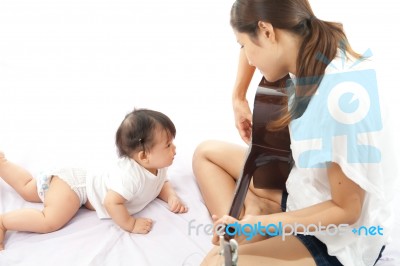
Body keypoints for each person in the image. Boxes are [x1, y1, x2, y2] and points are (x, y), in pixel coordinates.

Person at [192, 0, 395, 265]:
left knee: (216, 262)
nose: (249, 58)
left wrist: (263, 225)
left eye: (243, 45)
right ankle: (256, 210)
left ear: (267, 31)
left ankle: (256, 218)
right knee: (206, 153)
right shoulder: (309, 41)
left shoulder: (338, 101)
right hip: (303, 192)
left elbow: (347, 210)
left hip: (337, 237)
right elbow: (251, 42)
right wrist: (238, 97)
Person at [0, 108, 188, 250]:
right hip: (75, 188)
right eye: (168, 144)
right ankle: (3, 222)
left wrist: (171, 196)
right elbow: (111, 202)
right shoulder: (130, 177)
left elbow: (161, 183)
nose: (175, 149)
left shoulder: (158, 166)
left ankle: (3, 165)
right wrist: (130, 223)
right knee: (49, 220)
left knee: (27, 189)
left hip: (76, 178)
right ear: (143, 156)